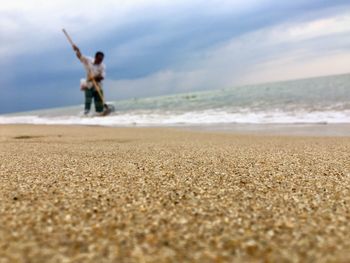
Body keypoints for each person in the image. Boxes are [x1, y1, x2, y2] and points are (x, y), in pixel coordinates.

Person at [73, 45, 106, 115]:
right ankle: (86, 115)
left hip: (98, 85)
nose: (100, 61)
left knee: (99, 101)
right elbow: (80, 57)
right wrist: (77, 50)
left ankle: (100, 114)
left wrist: (94, 78)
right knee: (88, 100)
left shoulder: (102, 66)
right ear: (95, 57)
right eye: (99, 59)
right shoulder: (88, 60)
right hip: (89, 85)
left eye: (102, 59)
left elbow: (102, 77)